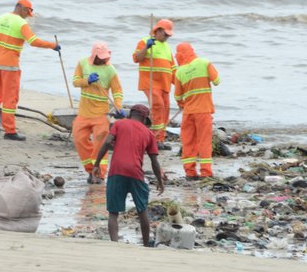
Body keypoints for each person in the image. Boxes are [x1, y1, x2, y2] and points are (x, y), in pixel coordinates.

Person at [0, 0, 60, 141]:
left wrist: (1, 48)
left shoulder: (1, 18)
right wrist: (52, 46)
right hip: (10, 66)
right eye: (27, 13)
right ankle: (10, 131)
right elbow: (33, 41)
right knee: (10, 98)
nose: (27, 17)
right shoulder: (21, 23)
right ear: (23, 9)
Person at [93, 104, 165, 247]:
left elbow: (107, 142)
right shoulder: (149, 133)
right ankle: (145, 245)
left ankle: (115, 245)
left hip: (116, 170)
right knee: (142, 210)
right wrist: (159, 181)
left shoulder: (119, 124)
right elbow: (154, 161)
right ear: (145, 118)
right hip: (135, 172)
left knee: (113, 212)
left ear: (130, 115)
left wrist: (96, 164)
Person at [71, 42, 124, 184]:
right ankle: (91, 170)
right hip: (84, 112)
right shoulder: (83, 63)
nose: (102, 60)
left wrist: (118, 106)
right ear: (94, 55)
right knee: (79, 139)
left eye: (104, 57)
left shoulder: (110, 70)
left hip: (101, 114)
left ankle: (99, 174)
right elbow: (75, 82)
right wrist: (87, 80)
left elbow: (117, 91)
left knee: (100, 143)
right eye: (99, 57)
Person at [174, 42, 220, 179]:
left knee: (188, 142)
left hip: (188, 113)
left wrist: (182, 104)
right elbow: (217, 80)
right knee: (204, 141)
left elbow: (177, 96)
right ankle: (206, 172)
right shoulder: (204, 63)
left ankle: (190, 172)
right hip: (203, 111)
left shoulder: (180, 71)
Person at [132, 19, 176, 150]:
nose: (167, 37)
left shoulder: (167, 47)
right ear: (158, 30)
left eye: (169, 35)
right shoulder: (145, 41)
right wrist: (147, 47)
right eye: (166, 34)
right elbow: (136, 58)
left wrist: (180, 85)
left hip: (165, 84)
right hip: (150, 82)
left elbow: (173, 68)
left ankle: (160, 139)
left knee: (166, 108)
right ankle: (155, 139)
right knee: (158, 105)